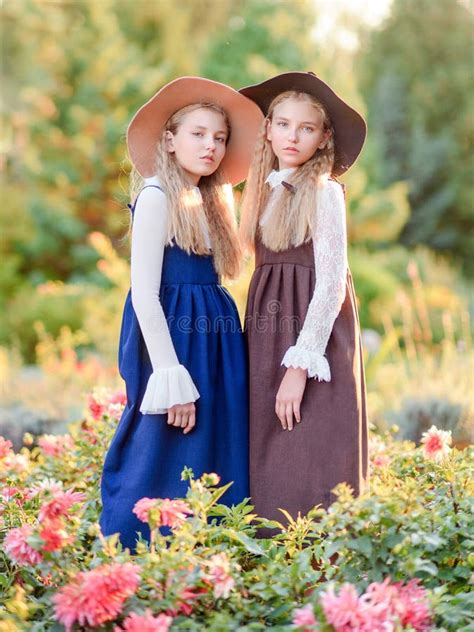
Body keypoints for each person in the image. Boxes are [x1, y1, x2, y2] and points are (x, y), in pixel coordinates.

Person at [100, 77, 262, 550]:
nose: (210, 146)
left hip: (214, 334)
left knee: (215, 439)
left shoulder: (214, 200)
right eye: (198, 134)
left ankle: (212, 550)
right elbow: (146, 295)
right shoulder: (156, 196)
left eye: (219, 138)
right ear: (169, 140)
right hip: (169, 336)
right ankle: (137, 545)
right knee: (162, 440)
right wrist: (171, 374)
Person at [239, 71, 368, 529]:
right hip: (267, 332)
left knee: (309, 449)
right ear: (268, 128)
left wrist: (299, 365)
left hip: (312, 337)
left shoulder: (323, 191)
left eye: (306, 128)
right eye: (284, 124)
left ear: (323, 137)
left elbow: (332, 281)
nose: (292, 136)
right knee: (266, 454)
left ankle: (318, 574)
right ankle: (271, 568)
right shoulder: (264, 188)